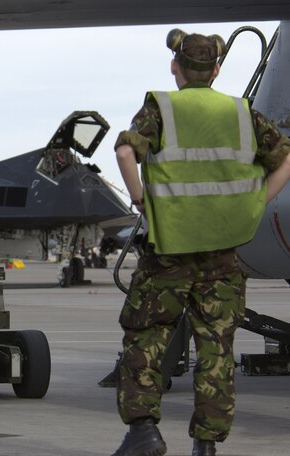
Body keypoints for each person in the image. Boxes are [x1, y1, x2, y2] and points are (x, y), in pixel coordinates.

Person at [111, 29, 290, 456]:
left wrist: (140, 200)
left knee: (147, 338)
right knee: (216, 348)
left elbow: (123, 153)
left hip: (167, 254)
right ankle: (206, 445)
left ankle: (143, 433)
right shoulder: (242, 113)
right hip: (223, 257)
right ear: (217, 69)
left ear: (176, 67)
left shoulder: (161, 109)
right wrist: (255, 204)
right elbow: (284, 158)